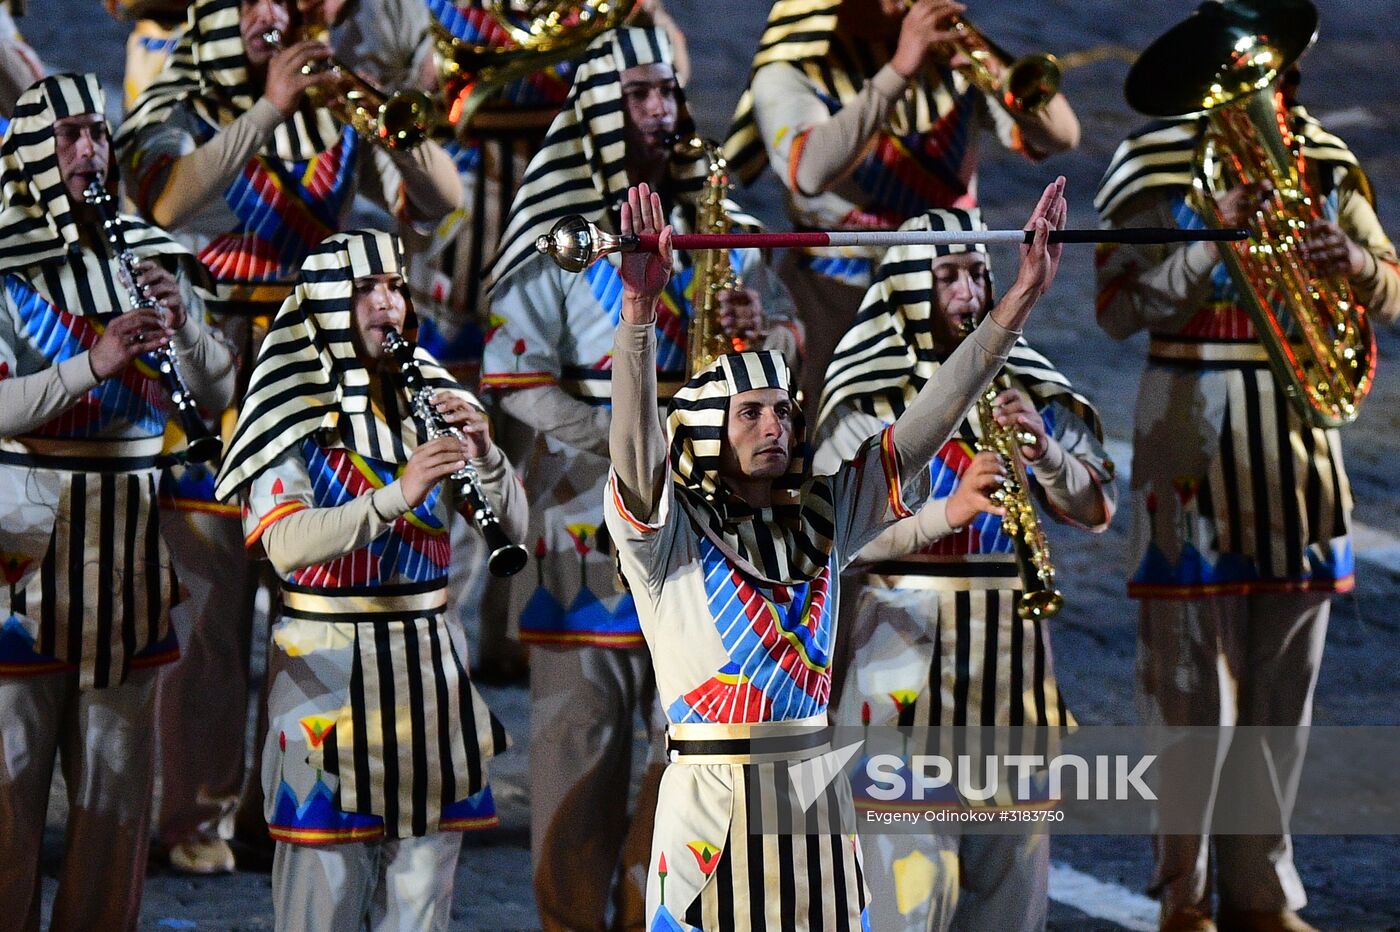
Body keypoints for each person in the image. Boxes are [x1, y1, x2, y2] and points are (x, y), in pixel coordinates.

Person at [606, 176, 1065, 929]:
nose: (773, 426)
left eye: (782, 410)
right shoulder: (663, 533)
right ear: (703, 432)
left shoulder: (823, 514)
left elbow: (926, 424)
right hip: (710, 813)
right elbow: (633, 448)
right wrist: (637, 313)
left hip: (817, 801)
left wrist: (1014, 306)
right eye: (748, 413)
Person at [113, 0, 464, 875]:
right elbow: (166, 195)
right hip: (213, 367)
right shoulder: (181, 96)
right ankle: (197, 812)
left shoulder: (336, 112)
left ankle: (302, 793)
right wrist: (267, 106)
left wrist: (384, 119)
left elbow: (443, 202)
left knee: (316, 600)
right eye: (259, 0)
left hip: (323, 378)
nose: (284, 13)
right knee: (210, 617)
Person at [480, 23, 794, 931]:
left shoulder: (722, 223)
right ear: (594, 111)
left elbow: (773, 373)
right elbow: (518, 383)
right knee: (576, 769)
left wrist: (758, 337)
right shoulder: (555, 231)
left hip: (708, 546)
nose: (660, 111)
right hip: (585, 530)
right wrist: (633, 447)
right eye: (638, 95)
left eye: (667, 92)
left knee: (693, 777)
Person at [1095, 14, 1400, 929]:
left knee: (1281, 702)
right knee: (1190, 701)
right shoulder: (1152, 165)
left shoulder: (1327, 163)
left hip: (1301, 453)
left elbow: (1391, 279)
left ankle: (1264, 897)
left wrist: (1354, 264)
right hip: (1189, 446)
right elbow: (1115, 304)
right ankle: (1182, 901)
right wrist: (1204, 238)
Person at [212, 228, 526, 930]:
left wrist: (488, 457)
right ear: (326, 304)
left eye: (394, 287)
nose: (387, 304)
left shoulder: (431, 395)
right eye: (364, 290)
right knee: (320, 903)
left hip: (432, 673)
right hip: (326, 674)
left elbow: (517, 529)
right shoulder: (290, 411)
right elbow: (284, 543)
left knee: (422, 908)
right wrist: (396, 495)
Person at [813, 207, 1116, 931]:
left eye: (979, 274)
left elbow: (1098, 506)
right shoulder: (870, 397)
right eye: (946, 274)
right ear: (908, 286)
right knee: (903, 891)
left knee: (1010, 889)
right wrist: (944, 515)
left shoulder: (1028, 385)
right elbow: (830, 534)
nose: (967, 291)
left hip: (1012, 661)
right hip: (902, 656)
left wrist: (1047, 453)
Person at [0, 73, 235, 931]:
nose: (88, 150)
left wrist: (190, 328)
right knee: (9, 788)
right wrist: (89, 367)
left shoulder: (153, 250)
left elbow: (216, 385)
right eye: (66, 136)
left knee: (116, 794)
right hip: (23, 547)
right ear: (30, 151)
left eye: (97, 133)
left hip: (129, 547)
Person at [725, 0, 1079, 406]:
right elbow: (808, 173)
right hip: (839, 292)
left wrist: (997, 72)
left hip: (944, 283)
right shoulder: (792, 66)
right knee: (835, 422)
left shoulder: (945, 55)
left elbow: (1063, 136)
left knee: (954, 420)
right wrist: (899, 71)